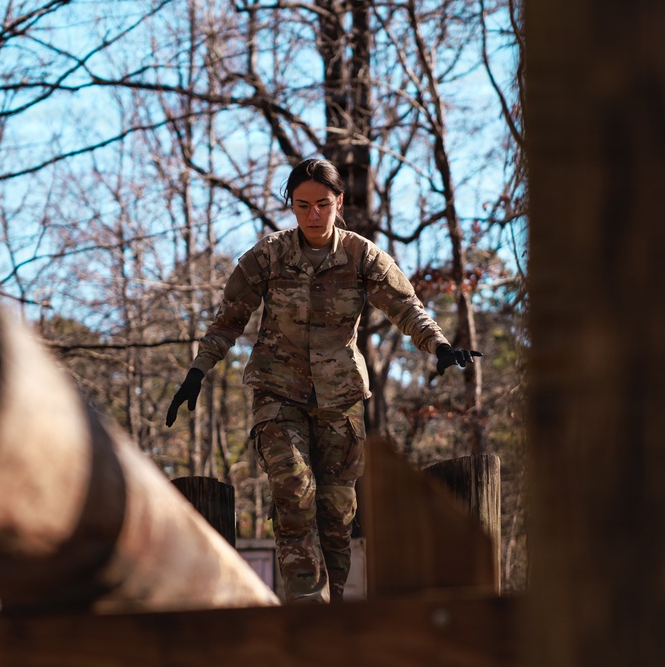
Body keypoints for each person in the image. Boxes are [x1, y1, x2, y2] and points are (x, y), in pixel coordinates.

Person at [165, 158, 481, 603]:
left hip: (340, 397)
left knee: (336, 515)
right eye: (302, 205)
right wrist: (197, 372)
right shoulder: (268, 256)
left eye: (323, 205)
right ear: (291, 206)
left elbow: (407, 308)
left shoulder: (362, 255)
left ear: (339, 202)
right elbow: (227, 322)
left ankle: (333, 621)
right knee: (295, 495)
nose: (313, 215)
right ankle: (306, 608)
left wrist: (440, 345)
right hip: (278, 393)